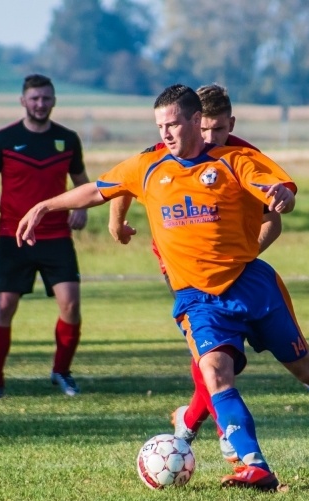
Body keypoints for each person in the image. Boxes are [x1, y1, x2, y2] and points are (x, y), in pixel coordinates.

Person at [16, 84, 309, 490]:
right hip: (196, 297)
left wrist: (281, 196)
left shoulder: (236, 159)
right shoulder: (149, 165)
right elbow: (100, 189)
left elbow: (276, 193)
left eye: (173, 124)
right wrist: (45, 205)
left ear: (195, 121)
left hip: (251, 286)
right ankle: (254, 464)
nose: (166, 134)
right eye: (160, 126)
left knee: (308, 372)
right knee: (215, 373)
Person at [108, 83, 281, 465]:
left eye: (218, 130)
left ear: (228, 124)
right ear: (194, 121)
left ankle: (189, 419)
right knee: (210, 346)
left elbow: (273, 220)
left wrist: (242, 256)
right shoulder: (166, 150)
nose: (209, 138)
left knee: (216, 353)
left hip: (234, 270)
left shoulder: (241, 156)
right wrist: (116, 223)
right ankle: (222, 430)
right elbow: (122, 181)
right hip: (178, 264)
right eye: (204, 130)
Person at [0, 74, 90, 400]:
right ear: (23, 101)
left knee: (71, 304)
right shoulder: (3, 139)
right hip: (14, 237)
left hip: (56, 237)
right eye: (35, 98)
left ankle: (61, 371)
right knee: (5, 305)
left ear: (54, 101)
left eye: (46, 98)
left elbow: (83, 183)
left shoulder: (67, 139)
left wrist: (82, 209)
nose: (41, 104)